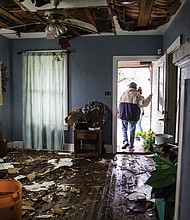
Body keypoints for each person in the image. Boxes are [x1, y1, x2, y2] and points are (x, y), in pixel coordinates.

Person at [118, 82, 152, 152]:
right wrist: (150, 97)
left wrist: (118, 113)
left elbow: (119, 104)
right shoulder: (137, 94)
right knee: (132, 130)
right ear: (135, 88)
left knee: (124, 128)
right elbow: (143, 103)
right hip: (133, 115)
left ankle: (125, 141)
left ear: (129, 87)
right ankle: (131, 146)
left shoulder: (124, 93)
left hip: (123, 114)